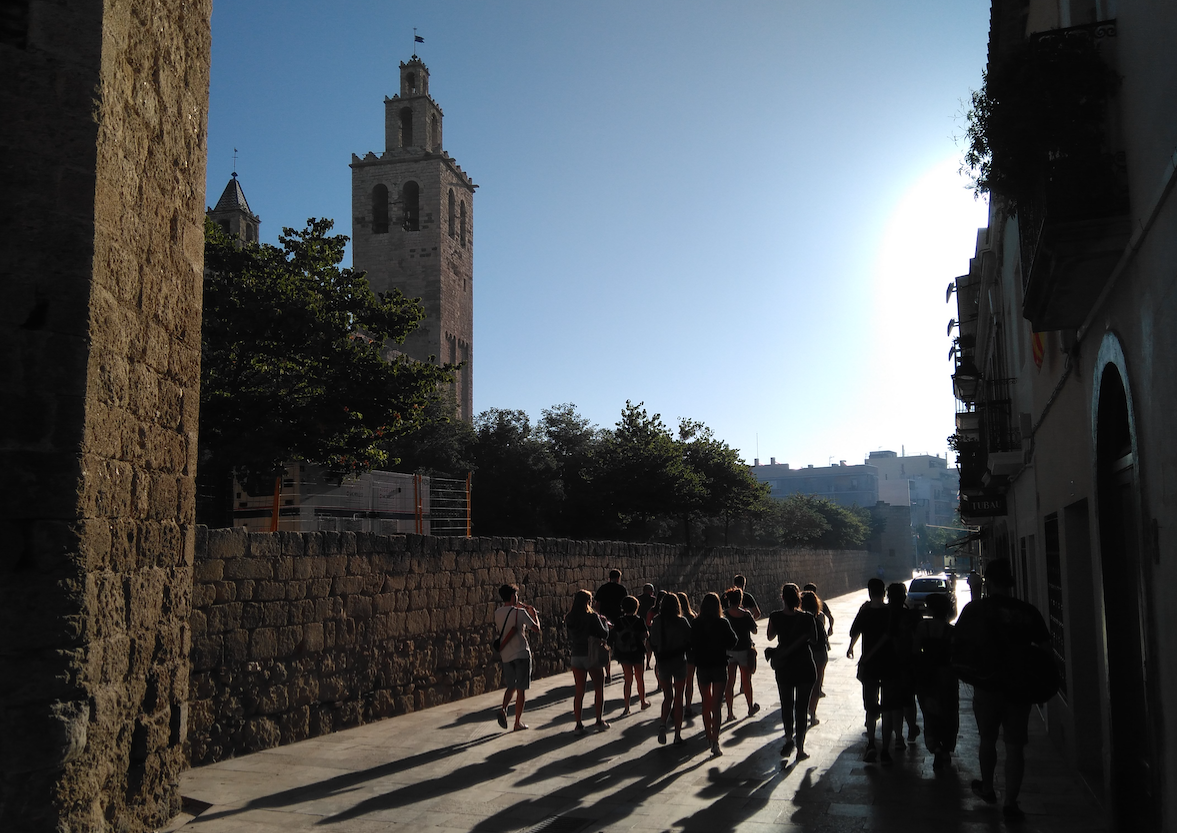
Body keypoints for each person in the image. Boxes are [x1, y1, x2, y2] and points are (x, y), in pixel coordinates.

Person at [955, 559, 1051, 822]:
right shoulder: (1027, 611)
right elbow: (1045, 649)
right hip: (1019, 687)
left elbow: (959, 643)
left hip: (987, 686)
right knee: (1015, 746)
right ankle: (1011, 801)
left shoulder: (976, 610)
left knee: (987, 739)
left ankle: (987, 788)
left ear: (989, 581)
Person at [766, 583, 819, 762]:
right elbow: (814, 640)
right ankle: (801, 749)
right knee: (801, 708)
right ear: (798, 598)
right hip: (804, 664)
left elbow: (770, 636)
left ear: (782, 598)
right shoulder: (807, 618)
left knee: (786, 705)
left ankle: (789, 739)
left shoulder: (775, 616)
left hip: (785, 667)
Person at [912, 592, 958, 771]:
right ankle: (946, 747)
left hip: (927, 674)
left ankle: (935, 747)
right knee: (949, 711)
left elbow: (915, 650)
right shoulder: (951, 631)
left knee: (930, 712)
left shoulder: (923, 627)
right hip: (947, 674)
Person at [847, 577, 890, 762]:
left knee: (870, 705)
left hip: (870, 664)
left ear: (869, 593)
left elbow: (853, 632)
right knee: (888, 705)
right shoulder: (890, 612)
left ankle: (871, 743)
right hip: (889, 664)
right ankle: (890, 746)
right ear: (884, 592)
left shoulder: (865, 613)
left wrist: (851, 647)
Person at [691, 592, 737, 757]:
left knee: (706, 702)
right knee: (716, 705)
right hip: (719, 665)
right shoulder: (722, 622)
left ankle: (708, 735)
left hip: (702, 666)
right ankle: (716, 741)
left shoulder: (696, 624)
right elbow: (733, 641)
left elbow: (691, 643)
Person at [879, 582, 920, 764]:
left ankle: (895, 741)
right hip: (908, 662)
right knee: (907, 699)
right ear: (904, 596)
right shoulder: (912, 616)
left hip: (887, 664)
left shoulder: (883, 614)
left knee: (889, 705)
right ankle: (910, 728)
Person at [495, 584, 541, 731]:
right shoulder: (519, 613)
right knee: (521, 689)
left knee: (511, 685)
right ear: (512, 596)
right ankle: (517, 722)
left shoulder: (497, 613)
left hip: (506, 654)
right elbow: (536, 629)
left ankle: (503, 708)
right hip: (521, 653)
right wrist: (534, 614)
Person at [648, 592, 692, 745]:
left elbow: (652, 641)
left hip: (663, 662)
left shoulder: (657, 621)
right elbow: (690, 639)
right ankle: (677, 734)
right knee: (679, 697)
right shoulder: (682, 621)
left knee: (667, 696)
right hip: (679, 661)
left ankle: (662, 725)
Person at [565, 589, 611, 735]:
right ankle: (598, 720)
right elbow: (604, 634)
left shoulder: (570, 618)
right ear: (588, 602)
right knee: (599, 688)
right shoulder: (592, 617)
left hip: (576, 655)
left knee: (579, 692)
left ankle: (578, 724)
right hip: (591, 654)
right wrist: (604, 623)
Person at [608, 595, 651, 715]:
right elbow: (645, 635)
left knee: (627, 680)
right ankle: (643, 701)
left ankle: (626, 707)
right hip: (637, 651)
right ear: (636, 607)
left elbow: (615, 635)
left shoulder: (619, 621)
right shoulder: (639, 620)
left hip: (624, 652)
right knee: (639, 678)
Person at [723, 588, 760, 720]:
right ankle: (750, 707)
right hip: (744, 649)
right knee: (746, 681)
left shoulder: (725, 614)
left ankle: (729, 713)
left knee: (730, 682)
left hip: (729, 651)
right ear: (740, 600)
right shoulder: (746, 614)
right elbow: (755, 630)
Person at [800, 589, 829, 725]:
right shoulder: (820, 616)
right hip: (820, 653)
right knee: (816, 684)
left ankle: (803, 710)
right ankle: (812, 713)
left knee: (804, 683)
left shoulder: (799, 618)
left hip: (805, 652)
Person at [595, 569, 628, 682]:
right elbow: (625, 605)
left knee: (606, 647)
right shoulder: (622, 589)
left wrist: (599, 617)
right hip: (619, 621)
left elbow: (597, 605)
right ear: (618, 578)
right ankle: (625, 672)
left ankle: (608, 674)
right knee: (622, 647)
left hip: (605, 621)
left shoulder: (602, 588)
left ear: (609, 577)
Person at [676, 592, 698, 718]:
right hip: (690, 654)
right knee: (689, 682)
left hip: (676, 654)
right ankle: (688, 707)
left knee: (677, 683)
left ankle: (676, 706)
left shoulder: (670, 618)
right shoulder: (691, 616)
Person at [637, 585, 657, 669]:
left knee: (640, 643)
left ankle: (639, 662)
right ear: (651, 591)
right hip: (650, 623)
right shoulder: (653, 600)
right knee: (649, 645)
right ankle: (648, 664)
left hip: (639, 623)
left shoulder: (638, 599)